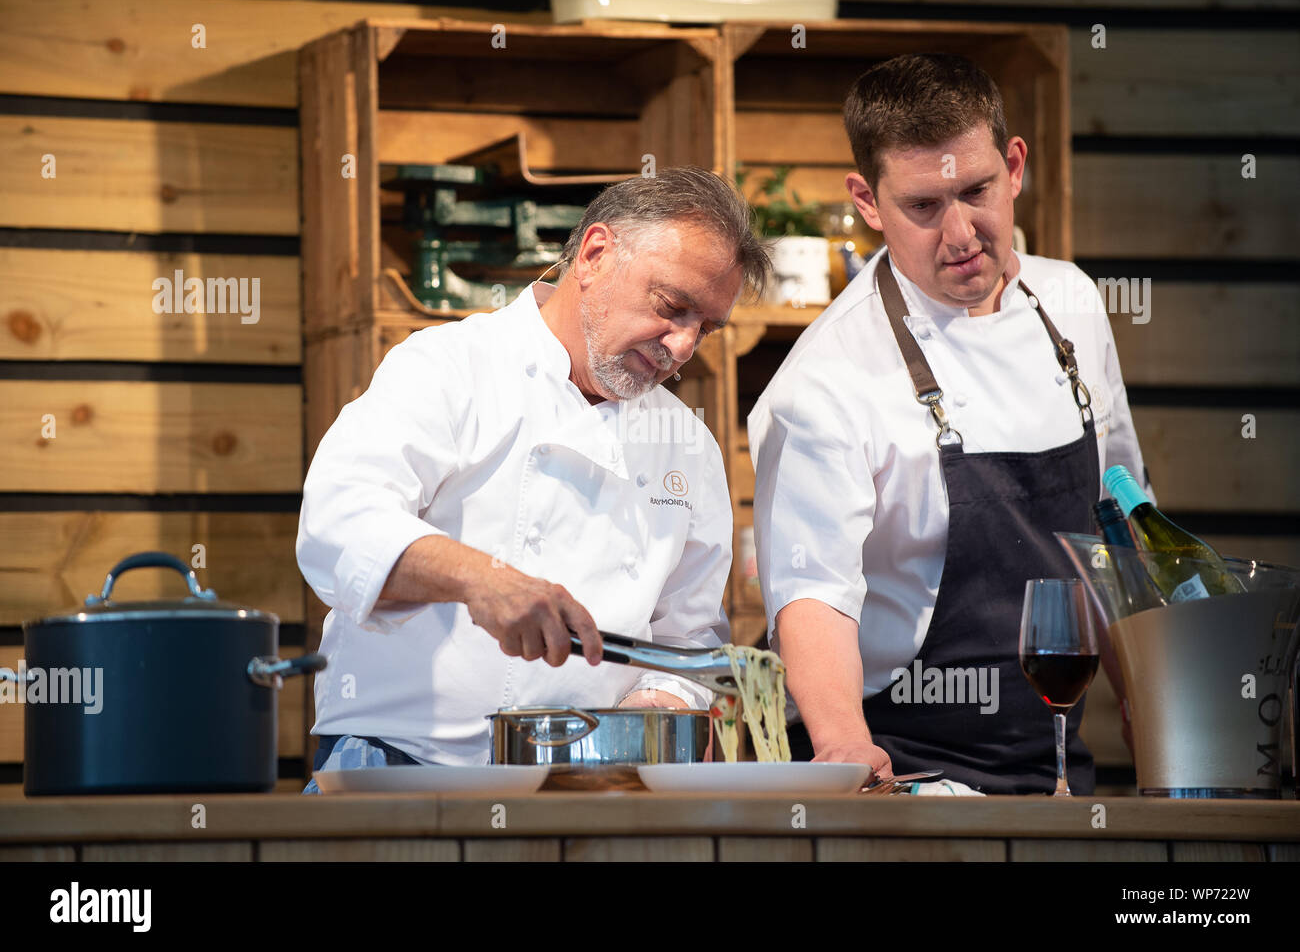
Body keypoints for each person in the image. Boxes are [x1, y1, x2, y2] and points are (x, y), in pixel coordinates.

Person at [748, 54, 1152, 795]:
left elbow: (1119, 521)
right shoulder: (824, 378)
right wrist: (845, 746)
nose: (961, 232)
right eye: (925, 206)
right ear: (868, 202)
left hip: (1054, 760)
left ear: (1015, 165)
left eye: (976, 191)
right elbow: (812, 593)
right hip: (904, 766)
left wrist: (1149, 704)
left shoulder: (1074, 303)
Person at [297, 167, 771, 790]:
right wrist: (480, 579)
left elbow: (687, 645)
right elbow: (339, 528)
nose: (683, 346)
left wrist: (658, 707)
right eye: (671, 307)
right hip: (397, 766)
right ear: (596, 255)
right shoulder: (448, 366)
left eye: (704, 328)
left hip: (583, 783)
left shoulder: (689, 444)